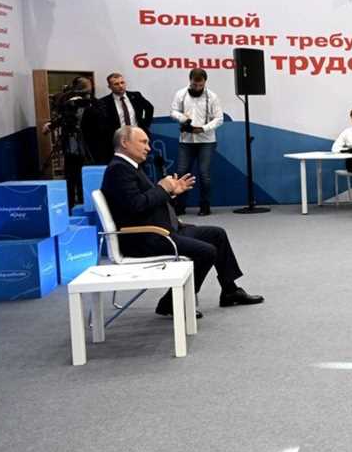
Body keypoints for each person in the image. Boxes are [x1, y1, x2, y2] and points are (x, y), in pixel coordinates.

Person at [101, 126, 263, 317]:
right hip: (145, 238)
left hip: (162, 230)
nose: (148, 148)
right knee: (206, 252)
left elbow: (147, 203)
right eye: (143, 142)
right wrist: (162, 188)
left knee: (216, 234)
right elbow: (136, 205)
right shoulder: (119, 170)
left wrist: (171, 191)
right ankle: (171, 302)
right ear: (125, 143)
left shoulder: (130, 168)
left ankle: (229, 290)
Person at [171, 68, 223, 216]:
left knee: (204, 174)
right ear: (190, 81)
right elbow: (173, 111)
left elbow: (219, 118)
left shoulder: (212, 97)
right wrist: (183, 119)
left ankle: (205, 206)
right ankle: (179, 206)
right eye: (195, 85)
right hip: (186, 140)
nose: (197, 88)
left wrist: (203, 128)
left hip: (206, 140)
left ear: (205, 82)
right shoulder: (180, 94)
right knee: (181, 173)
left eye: (200, 85)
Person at [47, 76, 95, 207]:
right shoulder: (70, 102)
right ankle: (74, 203)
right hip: (74, 144)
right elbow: (65, 118)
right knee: (75, 174)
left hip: (80, 144)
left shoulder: (89, 102)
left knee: (80, 174)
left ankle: (80, 200)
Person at [88, 72, 154, 164]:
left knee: (139, 166)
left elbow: (149, 108)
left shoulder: (135, 96)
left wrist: (145, 125)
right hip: (117, 141)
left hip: (136, 138)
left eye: (122, 83)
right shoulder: (103, 103)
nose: (120, 86)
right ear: (110, 87)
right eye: (116, 84)